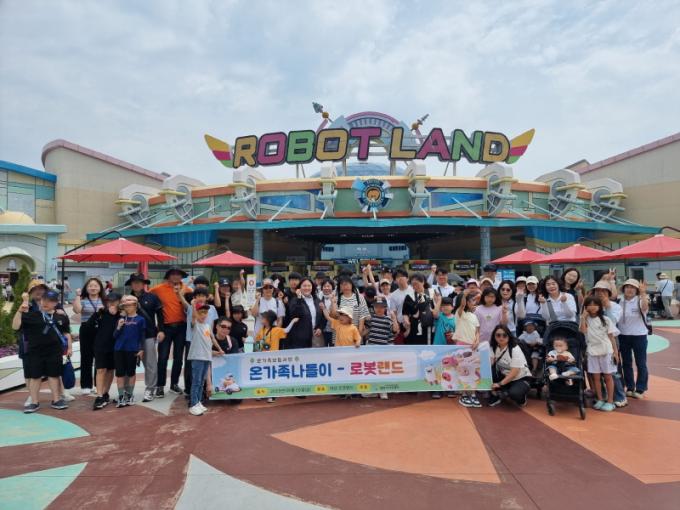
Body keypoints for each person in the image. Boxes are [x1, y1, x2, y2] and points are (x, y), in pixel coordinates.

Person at [18, 290, 72, 413]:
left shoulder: (61, 316)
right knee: (35, 377)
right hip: (35, 351)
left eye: (51, 301)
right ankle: (34, 402)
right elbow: (16, 326)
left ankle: (56, 400)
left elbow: (66, 332)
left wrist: (69, 348)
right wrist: (20, 310)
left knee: (54, 375)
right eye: (44, 300)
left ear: (56, 303)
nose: (46, 303)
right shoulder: (32, 315)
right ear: (41, 301)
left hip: (54, 351)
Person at [150, 267, 192, 398]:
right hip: (165, 328)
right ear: (168, 276)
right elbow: (146, 296)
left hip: (182, 327)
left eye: (178, 274)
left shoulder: (187, 289)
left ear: (181, 277)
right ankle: (160, 386)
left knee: (178, 358)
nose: (175, 277)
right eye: (173, 274)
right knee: (163, 357)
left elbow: (195, 303)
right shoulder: (158, 289)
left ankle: (174, 384)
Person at [126, 273, 164, 402]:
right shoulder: (126, 299)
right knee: (127, 364)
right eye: (134, 282)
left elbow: (160, 315)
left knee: (150, 363)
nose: (136, 284)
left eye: (139, 282)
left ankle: (150, 388)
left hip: (148, 334)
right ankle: (126, 390)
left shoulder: (152, 297)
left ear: (143, 284)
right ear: (131, 284)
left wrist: (161, 330)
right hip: (130, 335)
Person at [591, 280, 627, 407]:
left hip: (610, 340)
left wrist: (607, 307)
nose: (600, 293)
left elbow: (613, 321)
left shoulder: (615, 306)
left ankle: (620, 396)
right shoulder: (592, 304)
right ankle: (602, 395)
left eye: (603, 291)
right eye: (597, 290)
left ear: (609, 293)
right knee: (596, 371)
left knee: (613, 371)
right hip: (595, 341)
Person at [580, 296, 619, 412]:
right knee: (596, 377)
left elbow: (611, 337)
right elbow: (583, 331)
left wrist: (616, 352)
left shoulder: (606, 319)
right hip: (592, 351)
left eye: (595, 304)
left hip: (606, 351)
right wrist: (583, 317)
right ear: (586, 307)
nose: (592, 307)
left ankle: (610, 401)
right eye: (589, 305)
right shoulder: (585, 319)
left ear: (600, 306)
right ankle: (600, 399)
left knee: (608, 377)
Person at [188, 304, 225, 416]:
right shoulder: (195, 325)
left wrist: (220, 349)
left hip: (206, 357)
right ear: (196, 314)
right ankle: (193, 404)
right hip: (198, 357)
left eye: (205, 312)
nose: (203, 315)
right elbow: (193, 317)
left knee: (201, 381)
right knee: (196, 381)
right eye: (201, 313)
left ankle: (198, 402)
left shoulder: (207, 326)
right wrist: (193, 306)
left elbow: (212, 339)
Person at [254, 310, 297, 403]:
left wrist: (293, 321)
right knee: (263, 375)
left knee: (272, 376)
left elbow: (286, 330)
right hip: (263, 358)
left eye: (263, 317)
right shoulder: (261, 330)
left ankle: (271, 395)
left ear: (268, 320)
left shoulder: (276, 330)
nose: (262, 319)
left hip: (273, 359)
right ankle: (262, 393)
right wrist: (256, 352)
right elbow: (257, 344)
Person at [73, 278, 106, 396]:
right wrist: (78, 295)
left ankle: (98, 385)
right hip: (86, 329)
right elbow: (77, 310)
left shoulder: (105, 300)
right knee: (86, 357)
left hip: (101, 330)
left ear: (100, 288)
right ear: (86, 288)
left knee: (100, 358)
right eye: (90, 286)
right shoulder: (82, 300)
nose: (93, 288)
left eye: (96, 285)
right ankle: (86, 385)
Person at [618, 279, 650, 399]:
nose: (630, 289)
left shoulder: (640, 299)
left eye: (632, 287)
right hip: (622, 335)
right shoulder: (619, 300)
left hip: (639, 335)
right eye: (627, 287)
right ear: (623, 289)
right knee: (626, 363)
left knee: (641, 363)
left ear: (636, 290)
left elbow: (645, 308)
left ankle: (641, 388)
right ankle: (630, 387)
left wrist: (643, 293)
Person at [113, 296, 145, 407]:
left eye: (130, 305)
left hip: (132, 350)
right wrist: (118, 326)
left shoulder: (140, 320)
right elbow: (115, 335)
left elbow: (142, 336)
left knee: (131, 373)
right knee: (120, 374)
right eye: (126, 306)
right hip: (119, 349)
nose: (128, 308)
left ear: (136, 306)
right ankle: (121, 396)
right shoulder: (121, 319)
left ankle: (130, 395)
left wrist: (141, 349)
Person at [488, 324, 532, 407]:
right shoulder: (494, 347)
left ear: (509, 336)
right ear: (494, 336)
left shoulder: (514, 349)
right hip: (504, 375)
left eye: (504, 335)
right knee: (489, 371)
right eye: (498, 335)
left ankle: (521, 398)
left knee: (514, 394)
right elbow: (490, 363)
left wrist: (499, 384)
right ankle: (497, 394)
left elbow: (514, 372)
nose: (501, 338)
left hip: (520, 378)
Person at [185, 287, 218, 397]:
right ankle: (193, 398)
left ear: (207, 297)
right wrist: (193, 305)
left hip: (206, 340)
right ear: (195, 297)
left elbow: (212, 324)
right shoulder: (192, 308)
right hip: (194, 341)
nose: (201, 298)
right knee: (195, 374)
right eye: (198, 295)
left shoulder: (211, 308)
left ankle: (201, 395)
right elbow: (193, 318)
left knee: (204, 371)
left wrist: (213, 343)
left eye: (203, 296)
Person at [365, 297, 398, 400]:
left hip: (384, 349)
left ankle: (383, 390)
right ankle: (372, 391)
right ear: (373, 308)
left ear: (385, 308)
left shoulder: (388, 320)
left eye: (381, 307)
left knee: (382, 370)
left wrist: (394, 318)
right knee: (372, 370)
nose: (379, 309)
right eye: (376, 307)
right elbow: (364, 331)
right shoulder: (371, 319)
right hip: (371, 348)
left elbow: (395, 330)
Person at [453, 290, 481, 408]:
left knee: (473, 370)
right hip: (461, 346)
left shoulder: (474, 316)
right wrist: (464, 295)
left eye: (474, 300)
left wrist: (477, 340)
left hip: (473, 347)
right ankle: (464, 394)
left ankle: (473, 394)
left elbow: (477, 331)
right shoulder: (459, 313)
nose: (474, 302)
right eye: (471, 300)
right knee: (463, 370)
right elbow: (462, 305)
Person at [287, 277, 324, 349]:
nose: (307, 288)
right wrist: (299, 298)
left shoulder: (317, 300)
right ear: (299, 288)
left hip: (314, 337)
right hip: (299, 339)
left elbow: (322, 316)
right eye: (304, 286)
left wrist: (320, 327)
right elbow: (295, 314)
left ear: (312, 287)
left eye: (309, 286)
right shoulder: (295, 300)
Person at [402, 274, 434, 345]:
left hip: (429, 327)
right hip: (415, 327)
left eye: (416, 284)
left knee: (428, 348)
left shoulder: (432, 293)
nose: (414, 287)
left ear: (423, 282)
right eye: (412, 285)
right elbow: (405, 313)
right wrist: (406, 321)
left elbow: (436, 309)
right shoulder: (409, 296)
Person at [388, 268, 413, 339]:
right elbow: (394, 312)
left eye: (402, 276)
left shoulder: (414, 290)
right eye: (398, 277)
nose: (400, 278)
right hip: (402, 325)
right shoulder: (393, 295)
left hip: (415, 323)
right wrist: (397, 326)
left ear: (407, 278)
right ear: (395, 281)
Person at [319, 279, 336, 346]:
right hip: (322, 330)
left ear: (332, 287)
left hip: (334, 330)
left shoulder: (336, 298)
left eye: (328, 286)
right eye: (324, 286)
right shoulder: (319, 298)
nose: (326, 288)